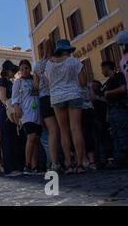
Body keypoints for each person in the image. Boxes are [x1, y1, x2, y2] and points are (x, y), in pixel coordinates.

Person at [45, 40, 87, 174]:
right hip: (74, 94)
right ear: (68, 50)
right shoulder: (74, 62)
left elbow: (47, 83)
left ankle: (69, 164)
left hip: (57, 98)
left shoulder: (49, 65)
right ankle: (80, 164)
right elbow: (83, 82)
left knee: (64, 131)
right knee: (76, 129)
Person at [33, 39, 61, 173]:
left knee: (52, 131)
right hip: (57, 95)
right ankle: (68, 160)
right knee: (65, 130)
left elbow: (36, 86)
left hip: (44, 98)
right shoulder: (57, 61)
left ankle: (54, 163)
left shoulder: (38, 65)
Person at [12, 60, 42, 175]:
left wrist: (35, 77)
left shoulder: (34, 79)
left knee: (36, 139)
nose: (24, 71)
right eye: (22, 69)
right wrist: (17, 108)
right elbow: (15, 97)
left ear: (30, 69)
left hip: (37, 112)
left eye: (26, 68)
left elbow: (37, 89)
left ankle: (35, 166)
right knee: (31, 136)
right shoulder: (18, 82)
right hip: (26, 113)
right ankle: (27, 164)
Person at [0, 60, 24, 177]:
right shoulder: (2, 81)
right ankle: (9, 169)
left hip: (11, 113)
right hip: (5, 113)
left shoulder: (10, 82)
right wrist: (10, 106)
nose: (14, 72)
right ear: (8, 71)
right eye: (13, 70)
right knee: (7, 141)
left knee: (14, 140)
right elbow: (3, 98)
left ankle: (16, 166)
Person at [101, 60, 128, 169]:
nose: (102, 71)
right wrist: (108, 114)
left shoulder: (119, 76)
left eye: (102, 68)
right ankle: (119, 159)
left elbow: (123, 89)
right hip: (112, 110)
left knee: (122, 134)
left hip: (120, 109)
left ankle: (125, 158)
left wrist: (109, 93)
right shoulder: (107, 83)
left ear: (107, 68)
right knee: (115, 135)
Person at [91, 80, 111, 169]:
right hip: (99, 121)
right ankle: (102, 160)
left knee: (99, 141)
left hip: (100, 121)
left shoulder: (98, 96)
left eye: (94, 86)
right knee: (100, 141)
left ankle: (102, 161)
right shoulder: (101, 96)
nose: (92, 88)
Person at [81, 83, 97, 170]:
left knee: (79, 134)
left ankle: (83, 159)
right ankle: (92, 161)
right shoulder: (87, 83)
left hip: (78, 109)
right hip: (89, 109)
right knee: (89, 134)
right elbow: (92, 97)